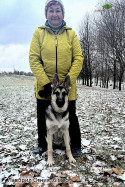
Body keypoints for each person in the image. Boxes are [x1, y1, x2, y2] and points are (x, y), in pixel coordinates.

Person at [29, 0, 84, 157]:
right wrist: (46, 83)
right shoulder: (38, 33)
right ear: (46, 13)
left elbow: (78, 58)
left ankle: (75, 146)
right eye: (51, 10)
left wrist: (69, 80)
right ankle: (43, 145)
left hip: (67, 87)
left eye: (57, 10)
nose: (54, 14)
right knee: (43, 116)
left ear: (63, 13)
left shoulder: (71, 34)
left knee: (71, 116)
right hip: (45, 86)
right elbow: (34, 59)